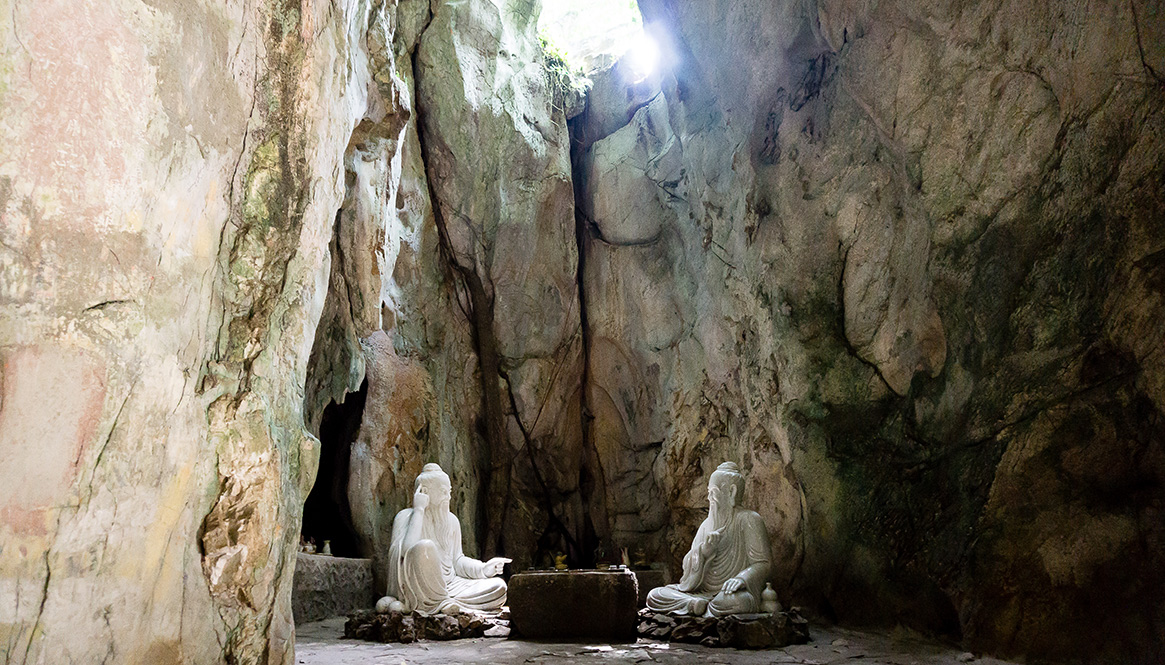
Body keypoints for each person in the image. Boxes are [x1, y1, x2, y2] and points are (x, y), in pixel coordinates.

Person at [646, 461, 772, 616]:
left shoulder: (749, 520)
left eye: (713, 491)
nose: (709, 497)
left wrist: (741, 578)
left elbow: (763, 564)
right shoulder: (707, 525)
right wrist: (703, 553)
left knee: (740, 601)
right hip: (701, 593)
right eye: (709, 492)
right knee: (655, 594)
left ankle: (700, 609)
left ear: (731, 492)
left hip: (728, 594)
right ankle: (694, 605)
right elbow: (687, 566)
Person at [384, 463, 510, 614]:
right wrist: (419, 509)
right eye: (443, 492)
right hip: (419, 588)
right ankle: (441, 603)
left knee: (499, 587)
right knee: (424, 547)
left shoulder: (451, 521)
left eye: (449, 492)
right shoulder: (405, 517)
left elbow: (457, 560)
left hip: (451, 585)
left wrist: (483, 568)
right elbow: (406, 551)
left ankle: (444, 602)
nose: (448, 497)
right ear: (425, 492)